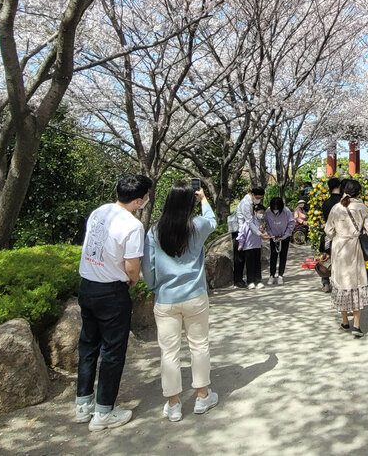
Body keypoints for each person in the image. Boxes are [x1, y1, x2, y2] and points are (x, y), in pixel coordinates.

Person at [75, 173, 153, 431]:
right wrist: (132, 282)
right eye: (146, 197)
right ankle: (104, 412)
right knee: (112, 352)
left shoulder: (99, 212)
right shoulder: (133, 226)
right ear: (139, 201)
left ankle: (83, 404)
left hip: (86, 286)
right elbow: (132, 268)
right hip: (111, 292)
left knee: (88, 346)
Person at [141, 182, 220, 422]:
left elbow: (148, 267)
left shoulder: (154, 231)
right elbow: (213, 221)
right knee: (199, 345)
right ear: (190, 203)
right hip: (195, 296)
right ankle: (202, 396)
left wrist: (155, 287)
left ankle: (173, 404)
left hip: (166, 300)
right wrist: (204, 199)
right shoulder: (197, 226)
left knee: (169, 352)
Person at [324, 178, 368, 337]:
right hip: (355, 248)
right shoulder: (362, 208)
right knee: (356, 283)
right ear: (359, 192)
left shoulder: (336, 208)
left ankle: (345, 321)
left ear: (343, 190)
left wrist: (337, 235)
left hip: (339, 248)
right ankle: (357, 325)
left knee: (341, 284)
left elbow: (328, 230)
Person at [232, 187, 265, 289]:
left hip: (244, 229)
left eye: (261, 198)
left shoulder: (250, 202)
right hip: (239, 230)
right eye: (258, 197)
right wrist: (260, 234)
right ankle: (237, 280)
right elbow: (249, 222)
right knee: (239, 256)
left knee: (245, 255)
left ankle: (244, 279)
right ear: (252, 194)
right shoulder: (246, 203)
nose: (259, 199)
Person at [319, 177, 343, 293]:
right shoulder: (343, 202)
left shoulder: (326, 203)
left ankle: (326, 282)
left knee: (326, 257)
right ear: (340, 187)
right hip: (342, 235)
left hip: (328, 235)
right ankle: (339, 284)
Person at [238, 203, 269, 289]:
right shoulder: (248, 222)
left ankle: (258, 281)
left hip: (257, 246)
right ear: (255, 212)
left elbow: (261, 233)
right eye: (260, 212)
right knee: (250, 264)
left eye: (263, 212)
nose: (261, 214)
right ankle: (250, 281)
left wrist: (263, 232)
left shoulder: (259, 222)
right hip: (249, 246)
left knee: (257, 264)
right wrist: (241, 243)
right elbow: (242, 232)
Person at [265, 196, 295, 285]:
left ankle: (280, 275)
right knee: (273, 256)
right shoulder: (268, 212)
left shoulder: (286, 211)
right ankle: (271, 275)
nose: (275, 210)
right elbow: (267, 224)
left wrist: (285, 235)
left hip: (284, 237)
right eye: (273, 208)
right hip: (274, 237)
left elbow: (291, 223)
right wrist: (271, 235)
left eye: (277, 208)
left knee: (283, 256)